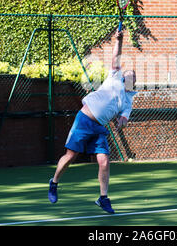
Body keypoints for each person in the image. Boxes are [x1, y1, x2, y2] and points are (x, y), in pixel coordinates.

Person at [48, 28, 137, 214]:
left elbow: (124, 118)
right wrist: (119, 40)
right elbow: (116, 55)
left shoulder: (128, 100)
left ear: (134, 83)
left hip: (99, 129)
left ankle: (103, 198)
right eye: (128, 74)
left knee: (104, 161)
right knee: (70, 157)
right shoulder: (114, 76)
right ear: (122, 76)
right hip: (83, 120)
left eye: (133, 76)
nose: (130, 75)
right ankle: (54, 182)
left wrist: (122, 123)